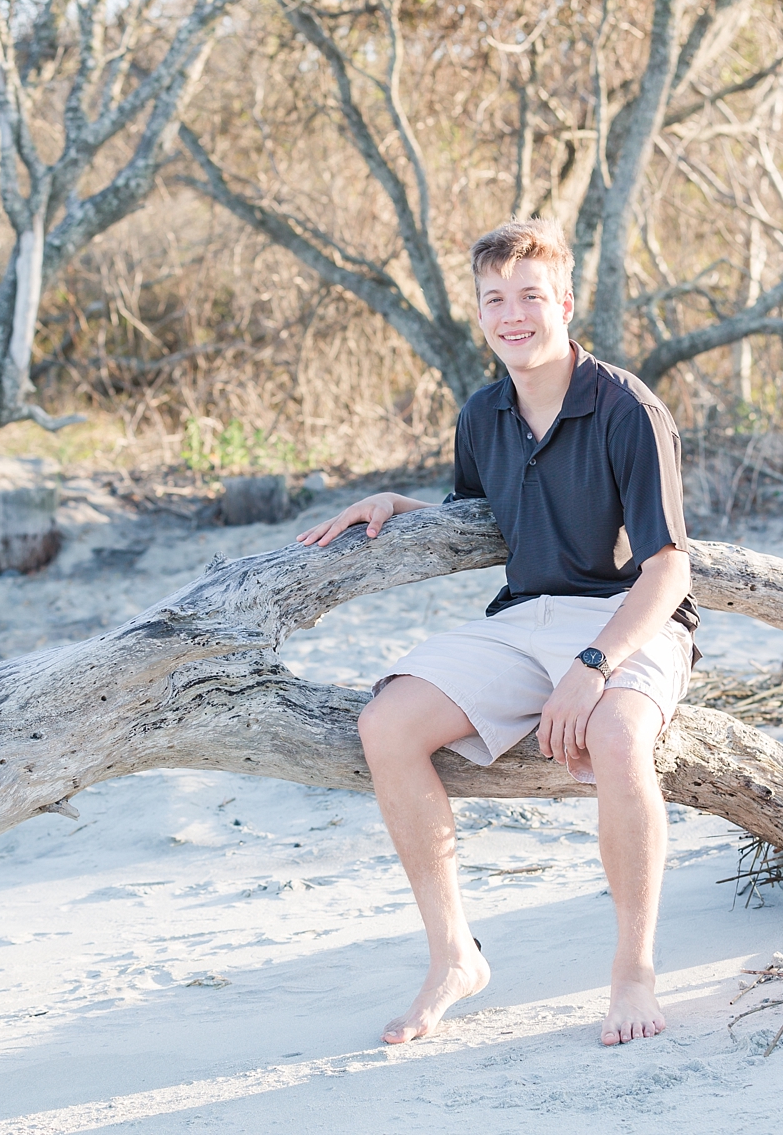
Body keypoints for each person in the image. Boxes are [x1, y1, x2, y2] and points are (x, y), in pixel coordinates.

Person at [297, 219, 698, 1048]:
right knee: (387, 725)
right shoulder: (482, 413)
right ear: (479, 312)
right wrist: (403, 509)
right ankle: (453, 957)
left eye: (529, 296)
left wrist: (594, 668)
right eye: (494, 300)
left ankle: (634, 972)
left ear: (564, 301)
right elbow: (481, 517)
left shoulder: (627, 407)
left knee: (621, 739)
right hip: (526, 619)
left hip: (628, 622)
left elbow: (670, 570)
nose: (513, 314)